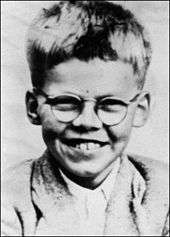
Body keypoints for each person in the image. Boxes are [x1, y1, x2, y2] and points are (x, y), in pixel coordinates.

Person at [2, 1, 169, 236]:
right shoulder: (9, 199)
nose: (87, 122)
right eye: (66, 102)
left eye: (110, 104)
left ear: (140, 109)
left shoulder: (162, 194)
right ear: (33, 107)